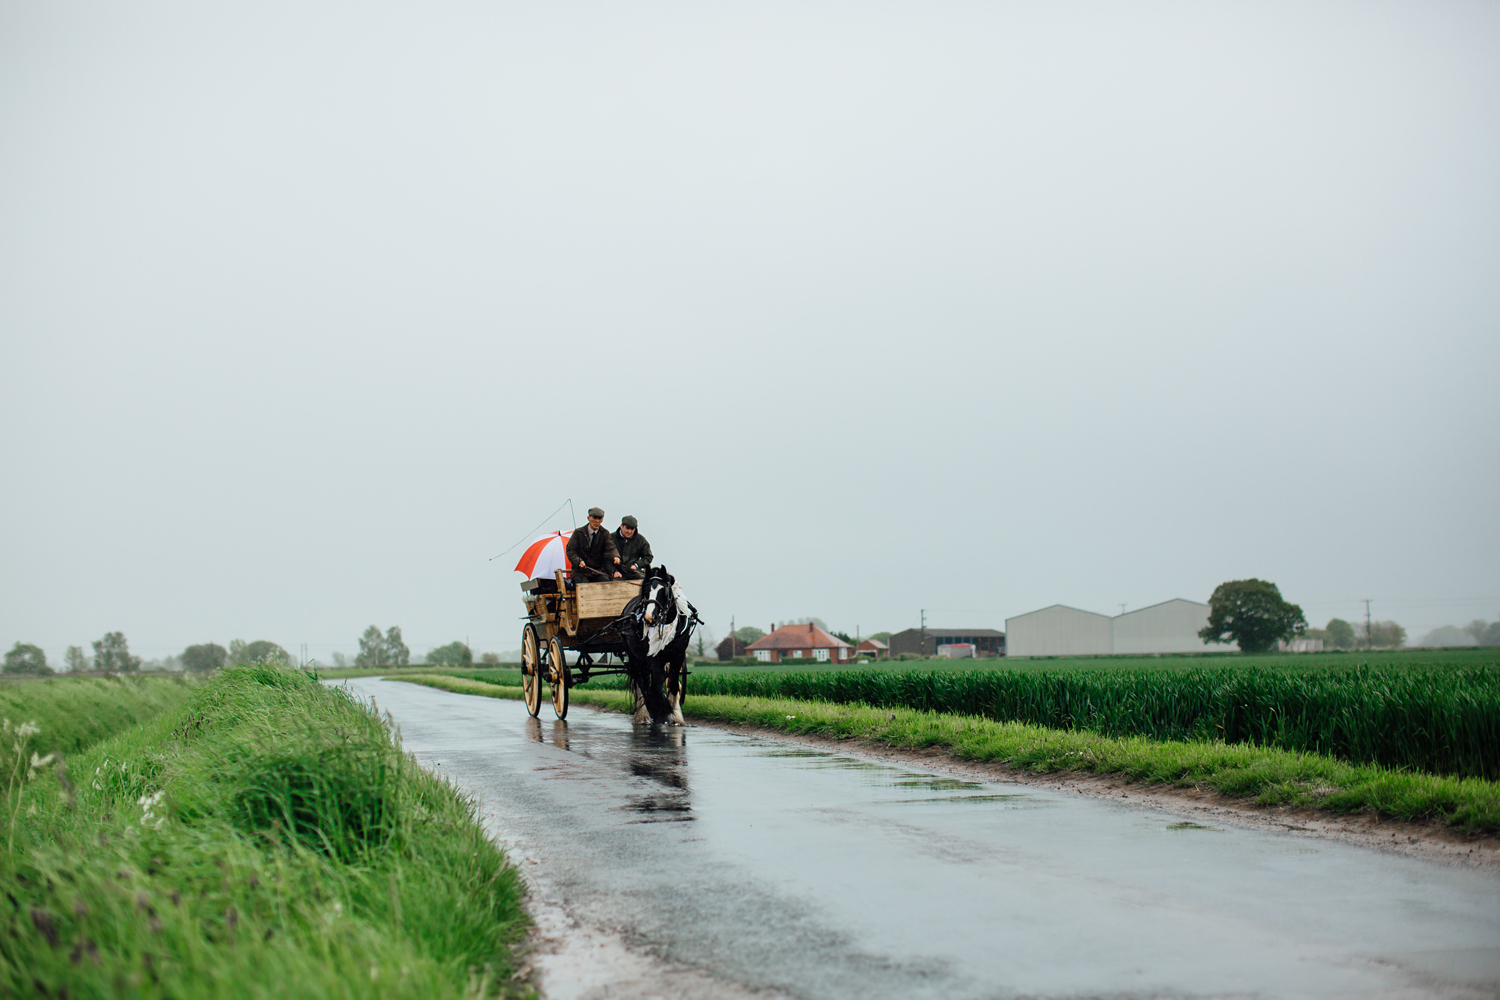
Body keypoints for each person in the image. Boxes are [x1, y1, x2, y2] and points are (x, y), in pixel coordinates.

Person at [565, 507, 621, 582]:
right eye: (595, 518)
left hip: (597, 571)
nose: (597, 521)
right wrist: (579, 561)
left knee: (605, 582)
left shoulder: (605, 533)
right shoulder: (578, 533)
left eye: (600, 518)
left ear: (602, 519)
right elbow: (570, 550)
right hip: (581, 572)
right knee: (582, 585)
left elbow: (610, 547)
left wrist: (615, 556)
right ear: (589, 518)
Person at [612, 515, 653, 580]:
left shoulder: (640, 540)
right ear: (621, 526)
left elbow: (648, 556)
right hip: (615, 571)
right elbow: (605, 557)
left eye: (632, 529)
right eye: (627, 528)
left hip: (633, 572)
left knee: (643, 580)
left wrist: (637, 565)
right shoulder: (611, 538)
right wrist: (613, 571)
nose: (629, 531)